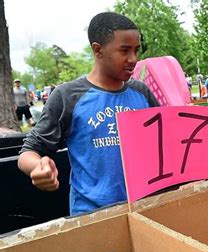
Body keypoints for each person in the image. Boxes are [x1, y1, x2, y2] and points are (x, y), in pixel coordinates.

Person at [17, 12, 159, 216]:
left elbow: (161, 143)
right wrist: (37, 167)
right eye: (124, 50)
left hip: (143, 208)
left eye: (136, 50)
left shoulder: (142, 93)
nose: (133, 59)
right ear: (98, 50)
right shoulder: (68, 97)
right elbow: (27, 152)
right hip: (92, 216)